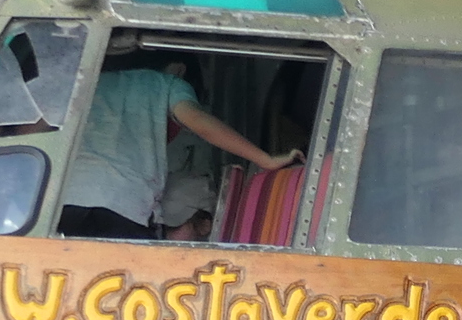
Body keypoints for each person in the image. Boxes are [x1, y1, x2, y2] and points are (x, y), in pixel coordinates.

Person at [58, 57, 294, 241]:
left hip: (60, 204)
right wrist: (265, 159)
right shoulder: (165, 83)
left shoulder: (81, 85)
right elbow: (199, 122)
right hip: (123, 207)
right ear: (178, 68)